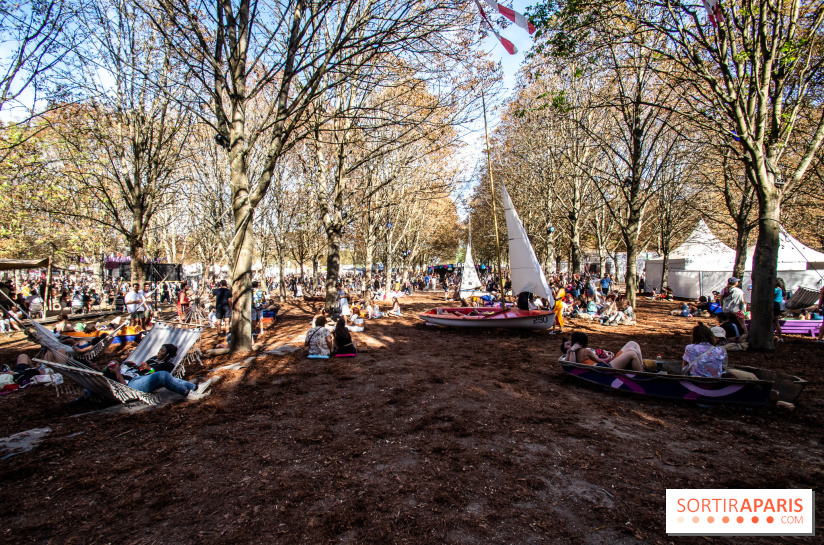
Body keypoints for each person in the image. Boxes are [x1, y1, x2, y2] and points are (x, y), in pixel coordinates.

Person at [107, 344, 203, 397]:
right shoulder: (153, 359)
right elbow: (125, 388)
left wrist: (150, 369)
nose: (159, 352)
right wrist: (136, 367)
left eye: (162, 351)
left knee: (165, 376)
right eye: (159, 350)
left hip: (139, 379)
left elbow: (161, 376)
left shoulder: (168, 365)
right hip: (135, 380)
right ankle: (189, 392)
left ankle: (194, 388)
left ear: (168, 355)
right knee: (163, 375)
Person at [561, 332, 644, 371]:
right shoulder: (585, 351)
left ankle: (641, 366)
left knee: (632, 345)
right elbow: (572, 365)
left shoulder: (570, 351)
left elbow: (568, 362)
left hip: (605, 365)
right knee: (632, 353)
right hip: (604, 368)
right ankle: (642, 374)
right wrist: (610, 357)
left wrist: (572, 350)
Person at [773, 278, 786, 343]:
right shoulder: (781, 290)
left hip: (775, 306)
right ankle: (780, 337)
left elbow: (769, 292)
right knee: (776, 322)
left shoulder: (777, 290)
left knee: (775, 322)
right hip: (777, 306)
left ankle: (780, 337)